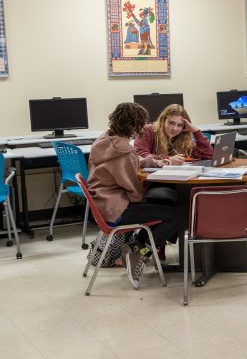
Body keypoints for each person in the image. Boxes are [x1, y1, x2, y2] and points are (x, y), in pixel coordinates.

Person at [87, 102, 180, 289]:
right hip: (117, 209)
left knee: (163, 208)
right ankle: (140, 253)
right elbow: (134, 190)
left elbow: (134, 161)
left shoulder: (106, 140)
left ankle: (135, 248)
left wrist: (158, 163)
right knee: (176, 214)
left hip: (104, 204)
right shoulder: (124, 151)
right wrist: (148, 201)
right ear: (135, 125)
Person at [134, 103, 212, 164]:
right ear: (163, 120)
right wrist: (168, 159)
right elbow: (141, 156)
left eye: (179, 125)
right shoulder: (148, 130)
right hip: (153, 180)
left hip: (178, 179)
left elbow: (208, 156)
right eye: (171, 123)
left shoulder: (182, 137)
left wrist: (196, 131)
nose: (175, 128)